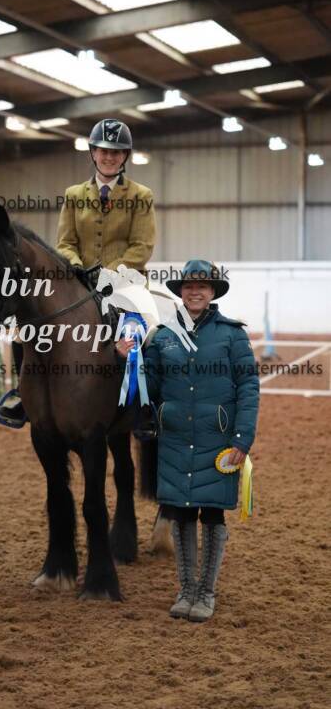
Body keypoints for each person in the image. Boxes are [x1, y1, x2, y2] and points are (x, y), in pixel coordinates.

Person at [116, 260, 259, 621]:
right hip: (175, 439)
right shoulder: (162, 335)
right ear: (181, 292)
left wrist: (243, 438)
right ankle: (186, 590)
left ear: (212, 292)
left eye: (202, 286)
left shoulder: (233, 335)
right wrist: (128, 358)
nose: (195, 292)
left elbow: (248, 387)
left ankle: (206, 592)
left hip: (217, 439)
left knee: (211, 513)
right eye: (189, 286)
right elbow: (148, 385)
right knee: (180, 513)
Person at [0, 118, 156, 427]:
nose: (109, 157)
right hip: (78, 281)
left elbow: (142, 246)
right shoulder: (73, 194)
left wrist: (109, 273)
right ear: (93, 153)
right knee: (24, 331)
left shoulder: (141, 196)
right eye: (103, 151)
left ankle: (144, 405)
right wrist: (77, 269)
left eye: (115, 152)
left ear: (124, 156)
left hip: (126, 284)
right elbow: (65, 243)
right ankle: (23, 396)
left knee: (146, 332)